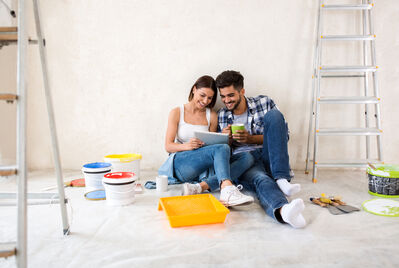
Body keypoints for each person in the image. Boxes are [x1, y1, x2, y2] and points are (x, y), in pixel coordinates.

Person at [216, 70, 306, 228]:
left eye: (230, 95)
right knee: (262, 179)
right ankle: (283, 211)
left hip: (270, 155)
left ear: (242, 91)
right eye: (223, 96)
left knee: (275, 116)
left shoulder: (264, 102)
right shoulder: (222, 115)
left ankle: (281, 178)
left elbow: (284, 136)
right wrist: (226, 140)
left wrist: (250, 138)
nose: (226, 100)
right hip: (245, 161)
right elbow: (221, 153)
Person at [158, 75, 254, 206]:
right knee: (222, 149)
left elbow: (214, 148)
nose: (205, 101)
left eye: (210, 98)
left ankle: (199, 187)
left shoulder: (212, 115)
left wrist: (224, 136)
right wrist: (187, 146)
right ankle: (226, 189)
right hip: (181, 163)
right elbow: (168, 146)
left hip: (203, 168)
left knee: (247, 157)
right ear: (194, 89)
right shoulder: (177, 112)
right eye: (202, 95)